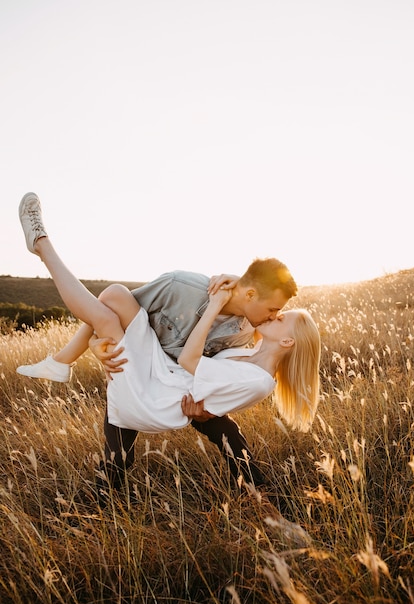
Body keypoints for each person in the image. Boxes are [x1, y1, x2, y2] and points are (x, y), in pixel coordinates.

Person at [17, 193, 318, 500]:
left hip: (170, 386)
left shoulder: (247, 334)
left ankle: (42, 247)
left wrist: (207, 411)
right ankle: (94, 503)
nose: (273, 316)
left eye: (277, 316)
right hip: (150, 368)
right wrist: (97, 344)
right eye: (273, 310)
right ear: (251, 295)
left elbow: (248, 357)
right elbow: (112, 311)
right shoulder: (181, 287)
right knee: (115, 296)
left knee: (226, 433)